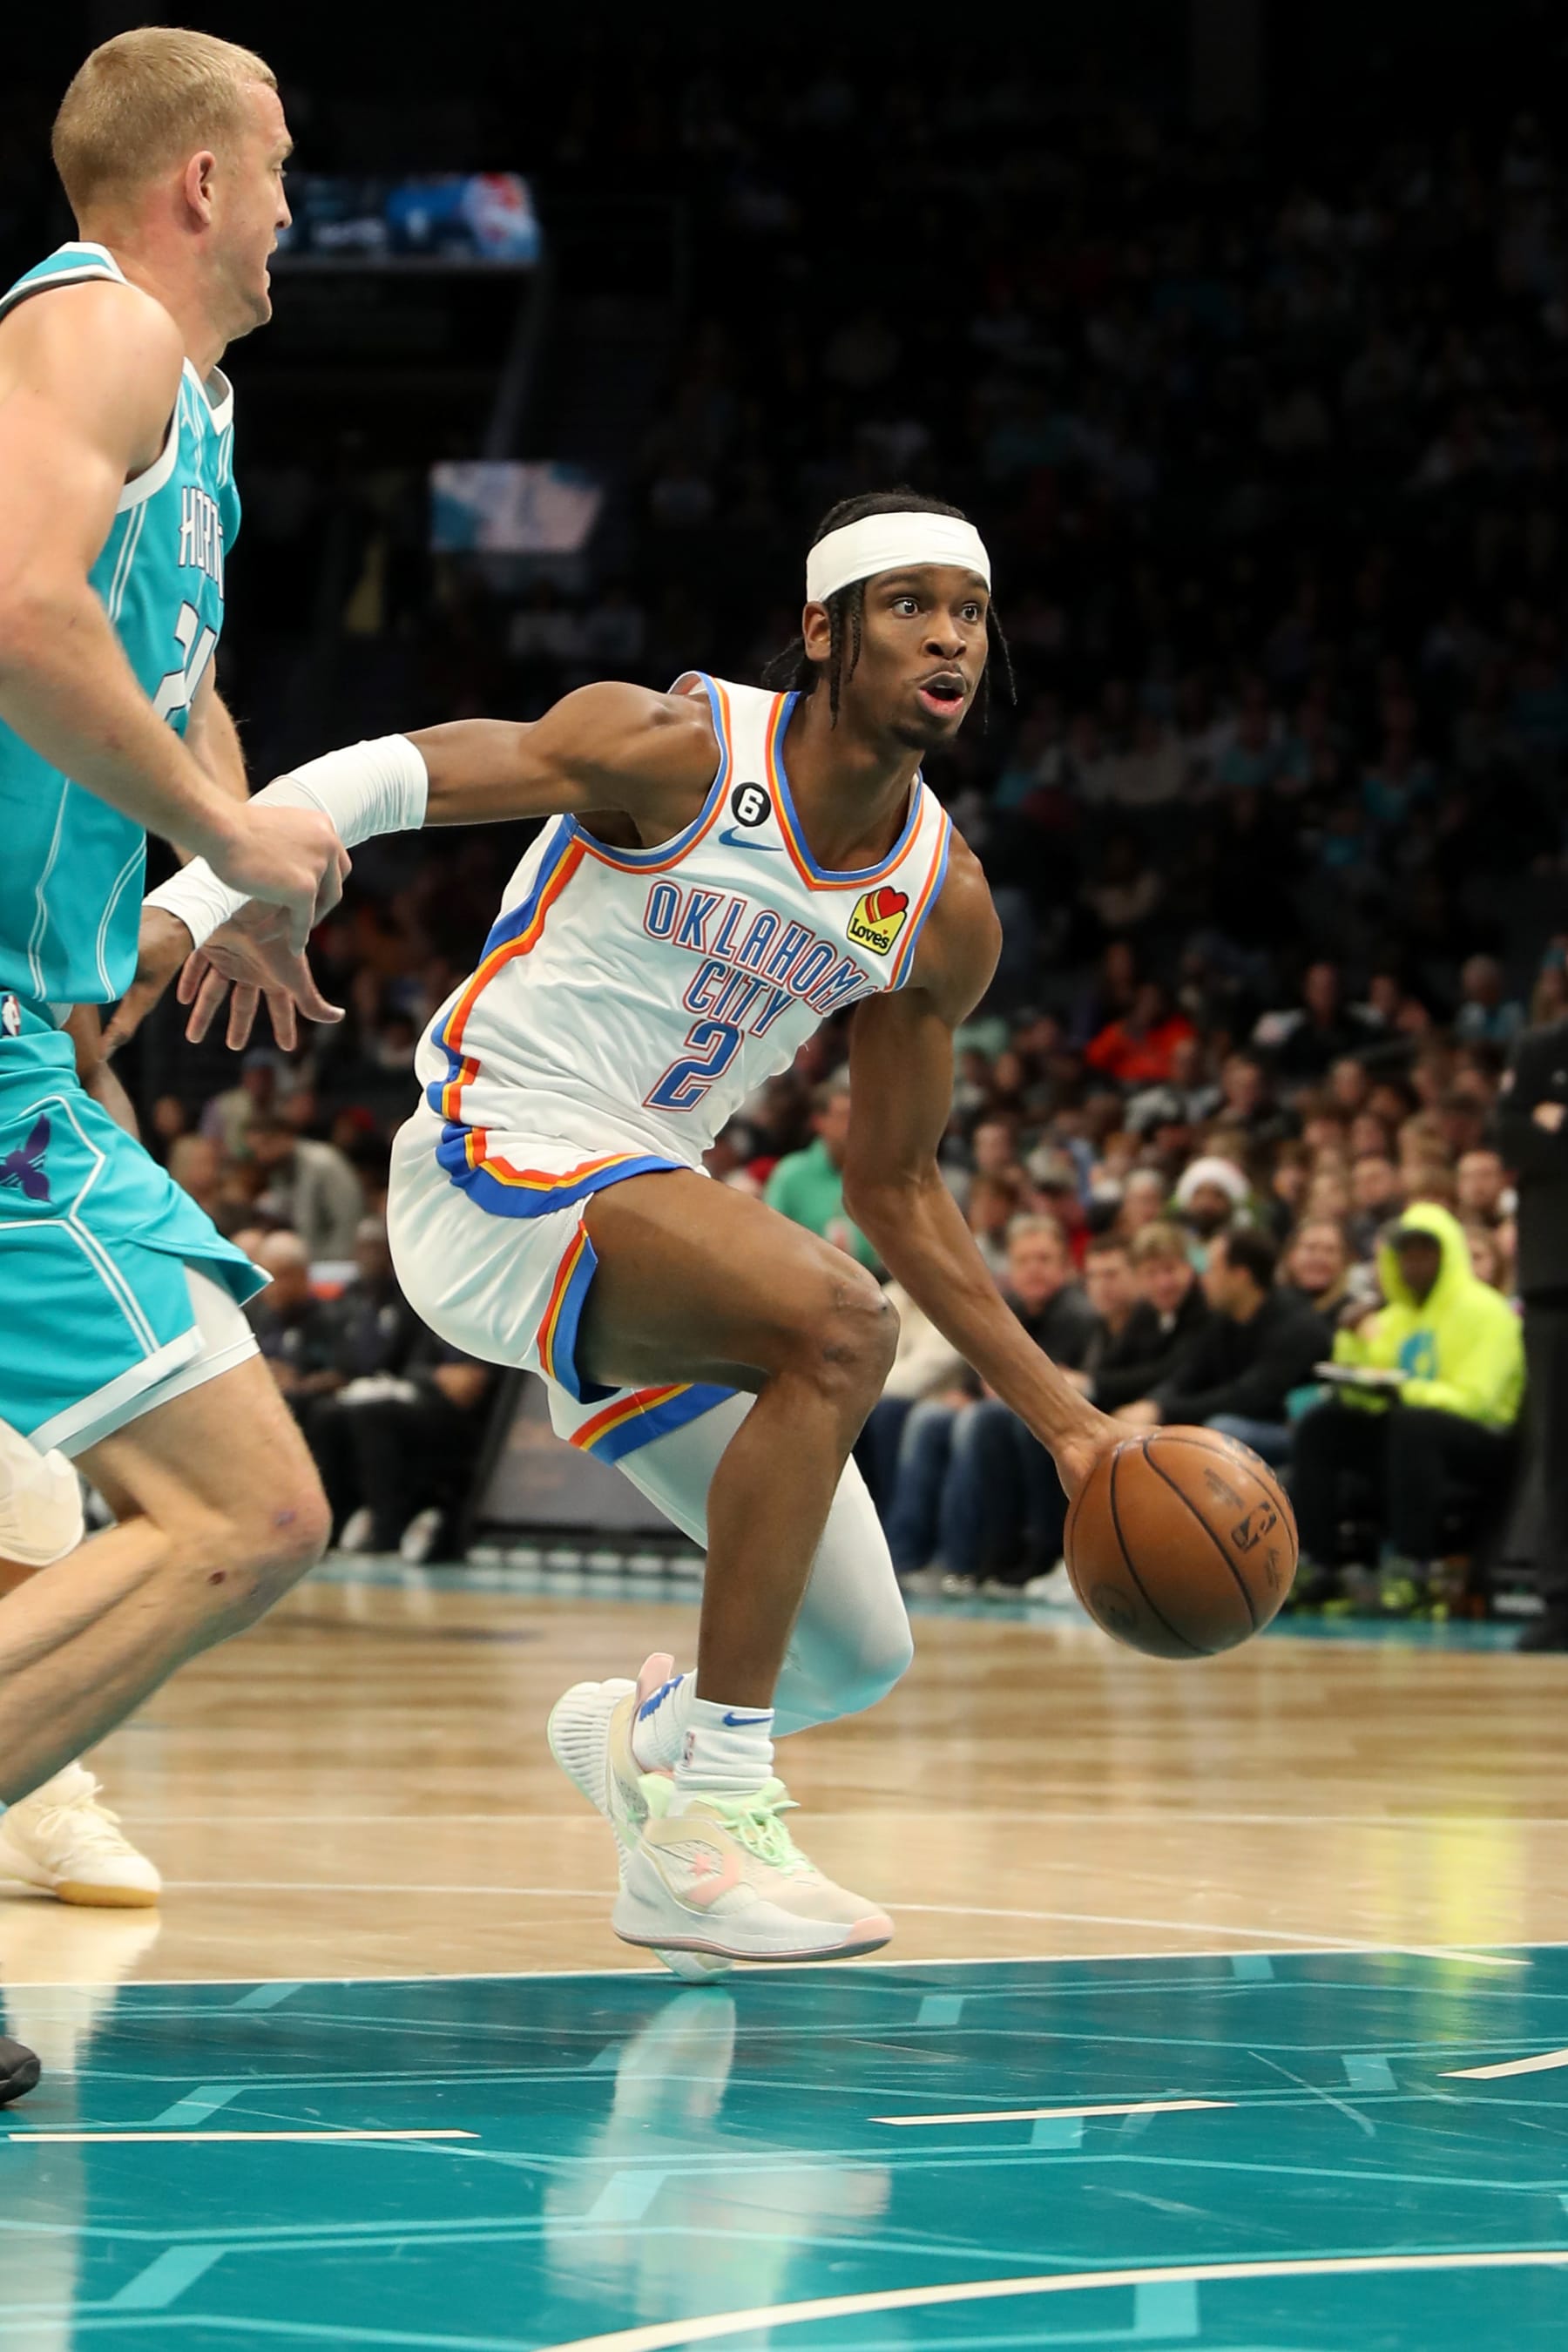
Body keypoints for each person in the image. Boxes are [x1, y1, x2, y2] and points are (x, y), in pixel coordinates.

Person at [133, 488, 1118, 1970]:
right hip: (491, 1160)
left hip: (637, 1218)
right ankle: (718, 1813)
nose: (950, 639)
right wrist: (218, 887)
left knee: (850, 1650)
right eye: (910, 604)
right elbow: (414, 771)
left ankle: (646, 1744)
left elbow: (897, 1188)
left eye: (971, 612)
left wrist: (1075, 1429)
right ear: (823, 630)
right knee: (840, 1325)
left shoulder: (941, 904)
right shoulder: (676, 749)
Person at [0, 23, 344, 2065]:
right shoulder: (97, 331)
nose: (299, 205)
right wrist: (229, 830)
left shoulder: (193, 410)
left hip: (33, 1028)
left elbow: (160, 680)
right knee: (245, 1502)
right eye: (282, 166)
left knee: (96, 1502)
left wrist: (218, 864)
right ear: (197, 181)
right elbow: (24, 614)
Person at [1291, 1205, 1523, 1614]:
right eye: (1405, 1255)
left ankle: (1412, 1568)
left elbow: (1481, 1400)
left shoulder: (1488, 1311)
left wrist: (1405, 1392)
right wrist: (1351, 1336)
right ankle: (1317, 1565)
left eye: (1424, 1253)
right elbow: (1367, 1383)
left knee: (1410, 1424)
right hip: (1410, 1437)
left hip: (1483, 1446)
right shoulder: (1394, 1315)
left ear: (1448, 1254)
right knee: (1322, 1425)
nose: (1413, 1264)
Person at [1117, 1226, 1329, 1466]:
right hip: (1244, 1421)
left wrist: (1164, 1412)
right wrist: (1151, 1405)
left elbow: (1250, 1396)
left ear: (1240, 1275)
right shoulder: (1224, 1319)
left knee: (1221, 1430)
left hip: (1290, 1431)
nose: (1203, 1279)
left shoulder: (1296, 1324)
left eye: (1211, 1270)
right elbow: (1188, 1375)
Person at [1493, 1011, 1568, 1649]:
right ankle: (1562, 1600)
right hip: (1555, 1279)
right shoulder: (1542, 1048)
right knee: (1559, 1447)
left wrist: (1557, 1124)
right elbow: (1510, 1139)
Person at [763, 1075, 877, 1267]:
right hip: (803, 1278)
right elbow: (770, 1235)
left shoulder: (878, 1174)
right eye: (843, 1115)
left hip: (876, 1281)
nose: (852, 1125)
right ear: (819, 1122)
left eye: (858, 1116)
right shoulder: (791, 1174)